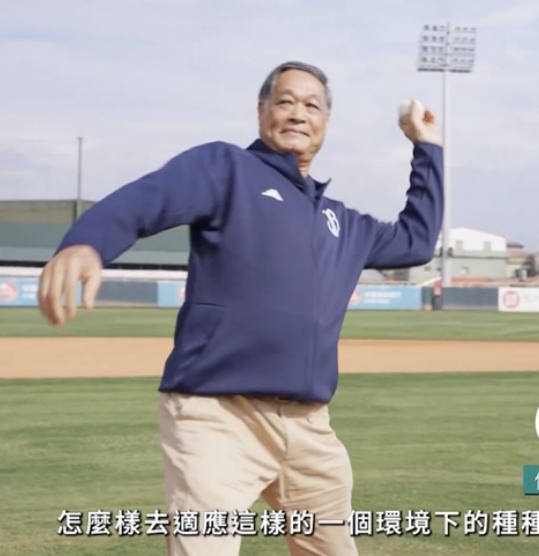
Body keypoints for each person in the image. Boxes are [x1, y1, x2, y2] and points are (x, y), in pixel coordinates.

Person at [37, 60, 444, 556]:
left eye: (312, 105)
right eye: (285, 101)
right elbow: (149, 197)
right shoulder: (225, 170)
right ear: (262, 110)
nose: (298, 113)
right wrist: (87, 242)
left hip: (309, 428)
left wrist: (427, 148)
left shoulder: (344, 223)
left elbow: (416, 241)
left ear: (325, 122)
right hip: (218, 416)